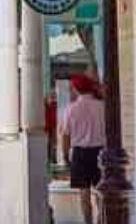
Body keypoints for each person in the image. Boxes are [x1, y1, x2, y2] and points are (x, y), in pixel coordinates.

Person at [58, 74, 108, 224]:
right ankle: (101, 221)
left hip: (80, 153)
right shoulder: (101, 107)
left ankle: (88, 222)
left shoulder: (71, 109)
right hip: (99, 153)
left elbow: (65, 135)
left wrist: (66, 155)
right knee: (101, 193)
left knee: (84, 195)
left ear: (76, 89)